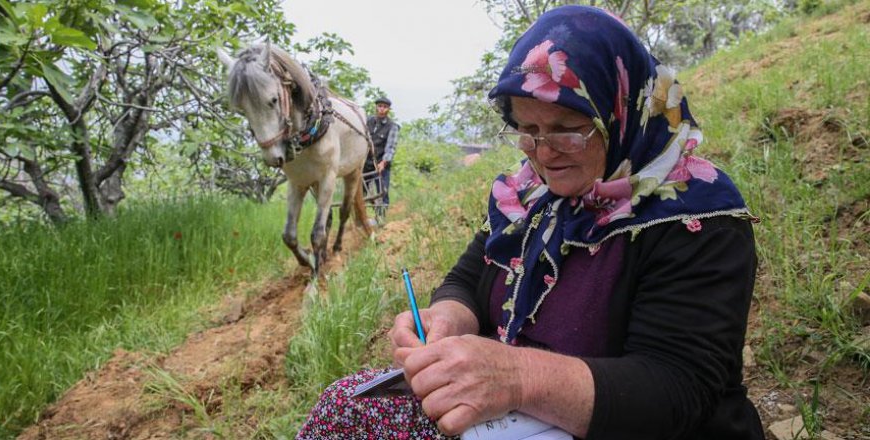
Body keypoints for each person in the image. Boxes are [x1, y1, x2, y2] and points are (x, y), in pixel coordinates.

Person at [298, 5, 764, 440]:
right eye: (528, 129)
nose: (543, 152)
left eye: (567, 128)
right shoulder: (525, 197)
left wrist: (517, 377)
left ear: (621, 111)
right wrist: (446, 319)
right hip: (514, 421)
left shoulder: (694, 217)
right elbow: (467, 277)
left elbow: (677, 390)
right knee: (342, 410)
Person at [363, 96, 400, 219]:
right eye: (379, 106)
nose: (381, 109)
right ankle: (360, 218)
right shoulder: (368, 121)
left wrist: (383, 162)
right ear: (376, 107)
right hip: (365, 163)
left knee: (382, 191)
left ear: (388, 109)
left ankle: (381, 218)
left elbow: (391, 147)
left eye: (384, 107)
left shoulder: (392, 126)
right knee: (360, 191)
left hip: (381, 164)